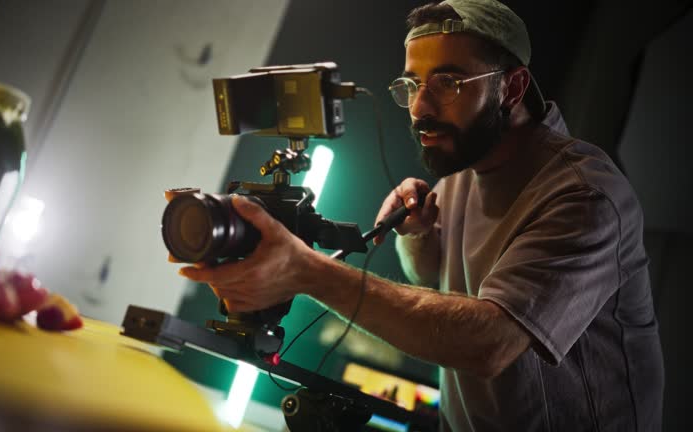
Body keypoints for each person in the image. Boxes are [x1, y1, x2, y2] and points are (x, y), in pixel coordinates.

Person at [179, 0, 664, 430]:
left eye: (448, 82)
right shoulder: (466, 168)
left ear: (512, 87)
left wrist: (306, 271)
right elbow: (434, 278)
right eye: (412, 83)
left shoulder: (584, 195)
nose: (420, 107)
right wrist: (417, 235)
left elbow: (488, 341)